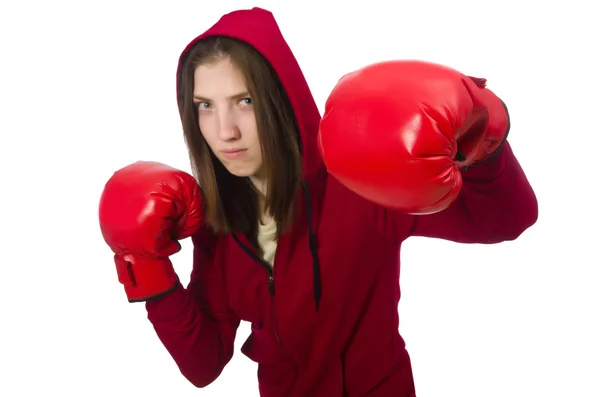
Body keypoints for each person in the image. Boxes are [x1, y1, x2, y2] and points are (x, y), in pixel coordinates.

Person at [98, 7, 538, 397]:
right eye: (205, 106)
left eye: (244, 101)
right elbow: (203, 364)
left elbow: (506, 219)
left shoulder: (356, 181)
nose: (224, 130)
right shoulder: (216, 224)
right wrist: (146, 267)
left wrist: (483, 138)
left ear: (281, 100)